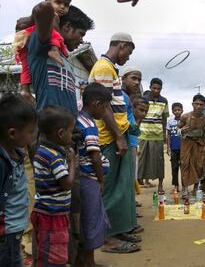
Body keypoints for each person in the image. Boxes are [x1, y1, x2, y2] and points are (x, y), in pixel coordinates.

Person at [88, 32, 141, 253]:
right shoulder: (103, 68)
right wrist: (118, 136)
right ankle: (107, 239)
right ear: (121, 45)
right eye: (128, 52)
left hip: (115, 134)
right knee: (109, 189)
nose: (127, 58)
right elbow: (104, 106)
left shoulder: (109, 68)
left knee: (120, 187)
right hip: (108, 136)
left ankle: (116, 229)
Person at [27, 2, 94, 115]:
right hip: (50, 129)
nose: (82, 40)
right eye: (81, 34)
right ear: (67, 27)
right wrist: (56, 15)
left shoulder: (66, 59)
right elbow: (43, 8)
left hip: (68, 130)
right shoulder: (44, 48)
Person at [31, 106, 76, 267]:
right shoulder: (54, 157)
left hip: (46, 211)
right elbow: (67, 184)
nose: (72, 136)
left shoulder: (42, 151)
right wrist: (72, 162)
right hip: (52, 214)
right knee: (53, 254)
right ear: (61, 133)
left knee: (47, 250)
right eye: (71, 131)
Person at [14, 0, 72, 105]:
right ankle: (54, 50)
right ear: (47, 1)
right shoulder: (51, 15)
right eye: (58, 2)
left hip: (23, 41)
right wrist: (59, 45)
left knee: (26, 66)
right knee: (56, 34)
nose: (62, 7)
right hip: (30, 39)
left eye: (66, 5)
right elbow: (54, 33)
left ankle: (25, 90)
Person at [75, 83, 112, 267]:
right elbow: (95, 156)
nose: (106, 111)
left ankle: (84, 260)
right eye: (105, 106)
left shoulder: (78, 118)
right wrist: (101, 179)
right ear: (97, 104)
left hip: (81, 177)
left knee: (85, 220)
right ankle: (88, 262)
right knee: (91, 221)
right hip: (88, 178)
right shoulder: (89, 124)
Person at [0, 94, 37, 267]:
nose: (32, 136)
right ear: (13, 133)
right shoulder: (2, 162)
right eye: (30, 132)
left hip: (14, 230)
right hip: (5, 234)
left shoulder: (17, 153)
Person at [138, 78, 169, 195]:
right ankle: (138, 186)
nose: (156, 90)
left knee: (159, 161)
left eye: (159, 88)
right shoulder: (143, 99)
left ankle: (160, 186)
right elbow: (139, 115)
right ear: (150, 87)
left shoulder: (164, 101)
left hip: (158, 135)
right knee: (142, 161)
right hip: (144, 134)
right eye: (154, 88)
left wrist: (165, 134)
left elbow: (164, 118)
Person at [179, 94, 205, 198]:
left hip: (199, 142)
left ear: (204, 105)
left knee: (199, 165)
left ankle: (195, 188)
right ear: (192, 104)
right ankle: (184, 189)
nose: (198, 106)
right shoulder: (185, 116)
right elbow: (178, 128)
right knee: (185, 164)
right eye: (196, 104)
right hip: (186, 142)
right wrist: (180, 130)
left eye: (201, 104)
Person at [119, 66, 142, 194]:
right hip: (127, 142)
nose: (137, 82)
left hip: (131, 142)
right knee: (127, 177)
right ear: (123, 79)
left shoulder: (127, 97)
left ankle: (130, 206)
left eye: (139, 79)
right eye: (133, 78)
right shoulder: (122, 96)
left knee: (130, 176)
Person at [167, 102, 183, 193]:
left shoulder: (184, 120)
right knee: (174, 167)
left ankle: (185, 185)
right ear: (172, 111)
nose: (177, 112)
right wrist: (168, 148)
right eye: (175, 110)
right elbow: (168, 135)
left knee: (183, 167)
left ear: (182, 110)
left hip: (183, 148)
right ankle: (176, 186)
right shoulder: (170, 122)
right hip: (174, 148)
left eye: (179, 110)